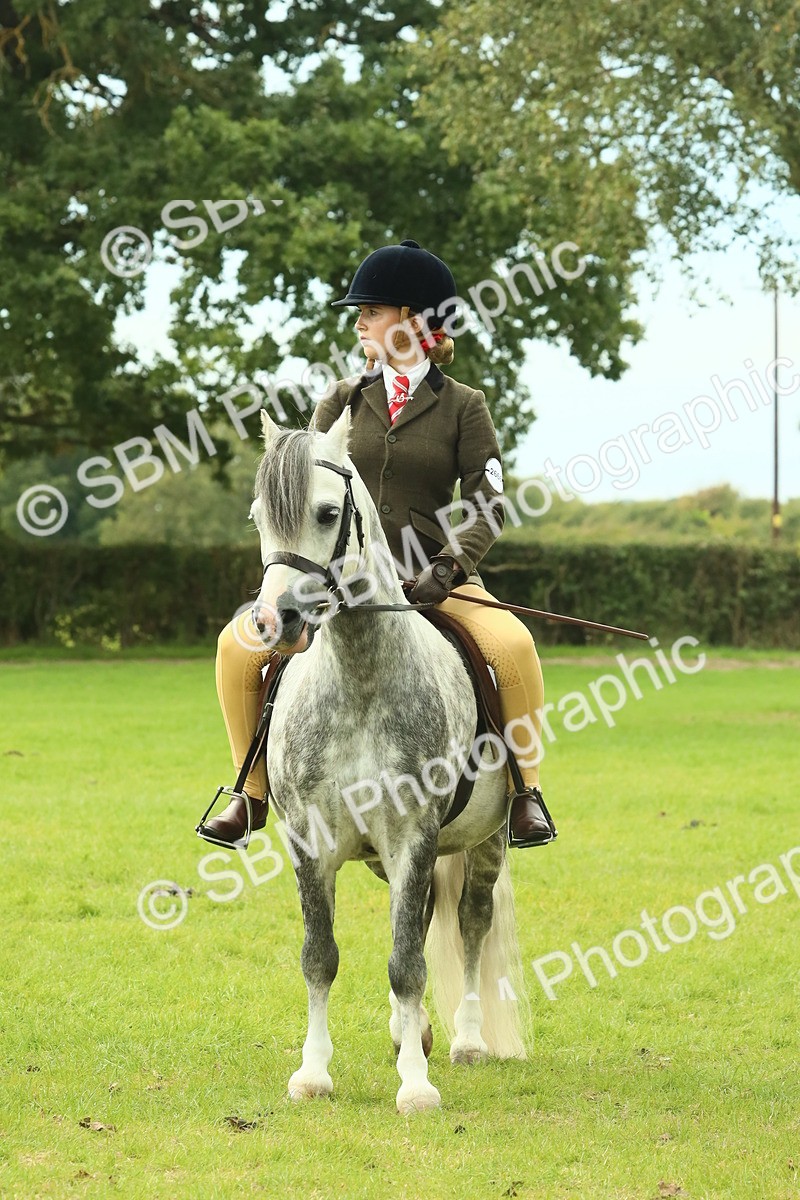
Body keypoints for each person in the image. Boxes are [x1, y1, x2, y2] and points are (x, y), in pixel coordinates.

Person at [202, 239, 557, 850]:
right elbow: (299, 490)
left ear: (416, 321)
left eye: (372, 309)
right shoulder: (340, 400)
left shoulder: (465, 408)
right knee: (236, 651)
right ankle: (249, 791)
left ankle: (525, 793)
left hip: (435, 579)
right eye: (360, 311)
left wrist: (448, 567)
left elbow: (489, 501)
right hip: (336, 582)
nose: (359, 320)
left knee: (513, 645)